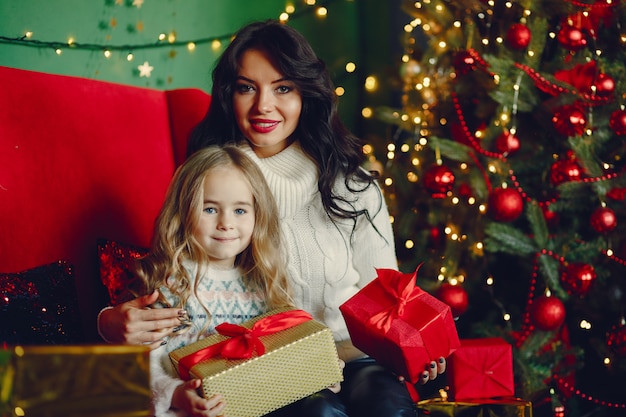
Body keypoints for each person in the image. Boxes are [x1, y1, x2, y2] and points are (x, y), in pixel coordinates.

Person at [98, 20, 445, 416]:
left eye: (283, 88)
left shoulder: (355, 187)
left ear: (306, 95)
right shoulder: (214, 180)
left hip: (355, 356)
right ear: (230, 96)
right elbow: (173, 277)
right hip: (271, 368)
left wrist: (412, 343)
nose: (264, 106)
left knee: (390, 409)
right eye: (247, 87)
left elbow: (386, 298)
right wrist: (108, 321)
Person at [128, 145, 344, 417]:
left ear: (258, 216)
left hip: (257, 404)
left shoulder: (262, 281)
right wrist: (175, 394)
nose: (225, 223)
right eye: (209, 209)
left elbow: (279, 351)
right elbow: (143, 364)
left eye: (240, 211)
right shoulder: (171, 284)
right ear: (183, 213)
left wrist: (314, 365)